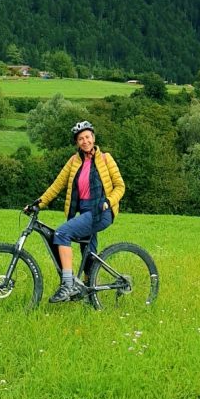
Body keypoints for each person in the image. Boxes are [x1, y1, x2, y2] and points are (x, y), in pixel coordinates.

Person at [25, 120, 126, 303]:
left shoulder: (105, 159)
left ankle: (67, 284)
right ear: (77, 142)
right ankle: (90, 297)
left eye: (87, 137)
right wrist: (38, 204)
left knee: (62, 233)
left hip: (101, 211)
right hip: (85, 212)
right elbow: (57, 186)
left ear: (93, 138)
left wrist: (108, 202)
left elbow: (120, 186)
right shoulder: (74, 161)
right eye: (81, 139)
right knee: (89, 253)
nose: (85, 141)